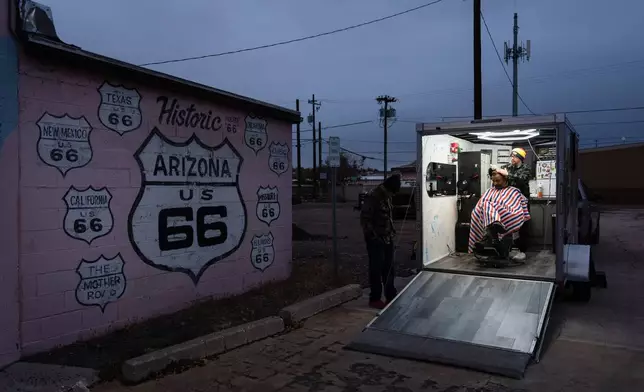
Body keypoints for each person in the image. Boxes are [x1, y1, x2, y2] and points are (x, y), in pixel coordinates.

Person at [360, 173, 401, 309]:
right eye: (392, 193)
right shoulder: (373, 197)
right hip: (376, 240)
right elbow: (365, 220)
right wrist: (374, 237)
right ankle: (375, 298)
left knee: (389, 268)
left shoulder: (387, 196)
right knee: (376, 269)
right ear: (388, 189)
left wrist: (391, 233)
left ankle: (391, 295)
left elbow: (387, 217)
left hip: (387, 237)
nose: (393, 196)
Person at [468, 168, 530, 257]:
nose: (495, 183)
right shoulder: (489, 191)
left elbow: (516, 208)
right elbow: (479, 206)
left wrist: (496, 209)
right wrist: (479, 211)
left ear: (505, 178)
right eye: (493, 181)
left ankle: (490, 233)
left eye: (498, 180)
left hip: (508, 214)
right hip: (488, 215)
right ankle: (493, 228)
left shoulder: (513, 191)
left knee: (486, 205)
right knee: (481, 208)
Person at [497, 147, 532, 260]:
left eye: (514, 156)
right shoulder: (509, 168)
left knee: (522, 225)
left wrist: (507, 174)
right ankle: (509, 248)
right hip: (509, 201)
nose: (512, 158)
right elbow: (501, 175)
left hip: (522, 202)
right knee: (508, 223)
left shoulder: (526, 168)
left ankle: (522, 251)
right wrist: (496, 170)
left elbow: (521, 179)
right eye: (511, 156)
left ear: (520, 158)